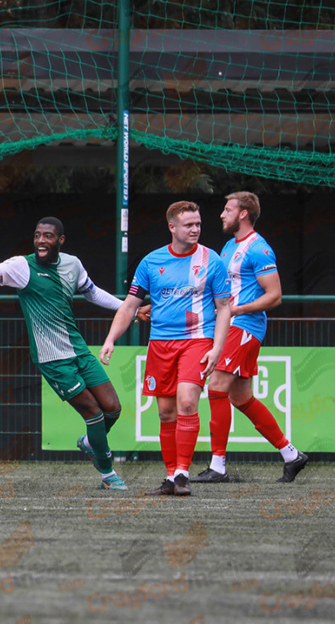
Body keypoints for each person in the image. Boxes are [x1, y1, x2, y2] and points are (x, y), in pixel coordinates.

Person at [0, 217, 136, 491]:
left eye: (48, 236)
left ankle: (91, 443)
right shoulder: (21, 266)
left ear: (60, 240)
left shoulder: (72, 264)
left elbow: (92, 293)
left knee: (113, 408)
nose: (41, 241)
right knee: (93, 411)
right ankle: (108, 475)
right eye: (38, 235)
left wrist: (127, 309)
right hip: (52, 358)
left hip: (78, 350)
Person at [100, 201, 231, 497]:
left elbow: (224, 308)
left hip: (198, 341)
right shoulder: (150, 262)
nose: (195, 229)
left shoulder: (213, 261)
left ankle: (183, 473)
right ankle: (171, 476)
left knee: (187, 402)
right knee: (165, 412)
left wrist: (217, 347)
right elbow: (130, 306)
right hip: (160, 344)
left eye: (198, 224)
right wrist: (110, 339)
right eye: (189, 225)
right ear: (172, 227)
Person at [190, 192, 308, 484]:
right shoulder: (230, 246)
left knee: (215, 385)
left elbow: (275, 296)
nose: (221, 214)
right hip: (232, 325)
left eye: (227, 209)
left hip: (245, 327)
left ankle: (217, 467)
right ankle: (292, 455)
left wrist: (235, 310)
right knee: (241, 397)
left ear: (243, 213)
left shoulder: (259, 249)